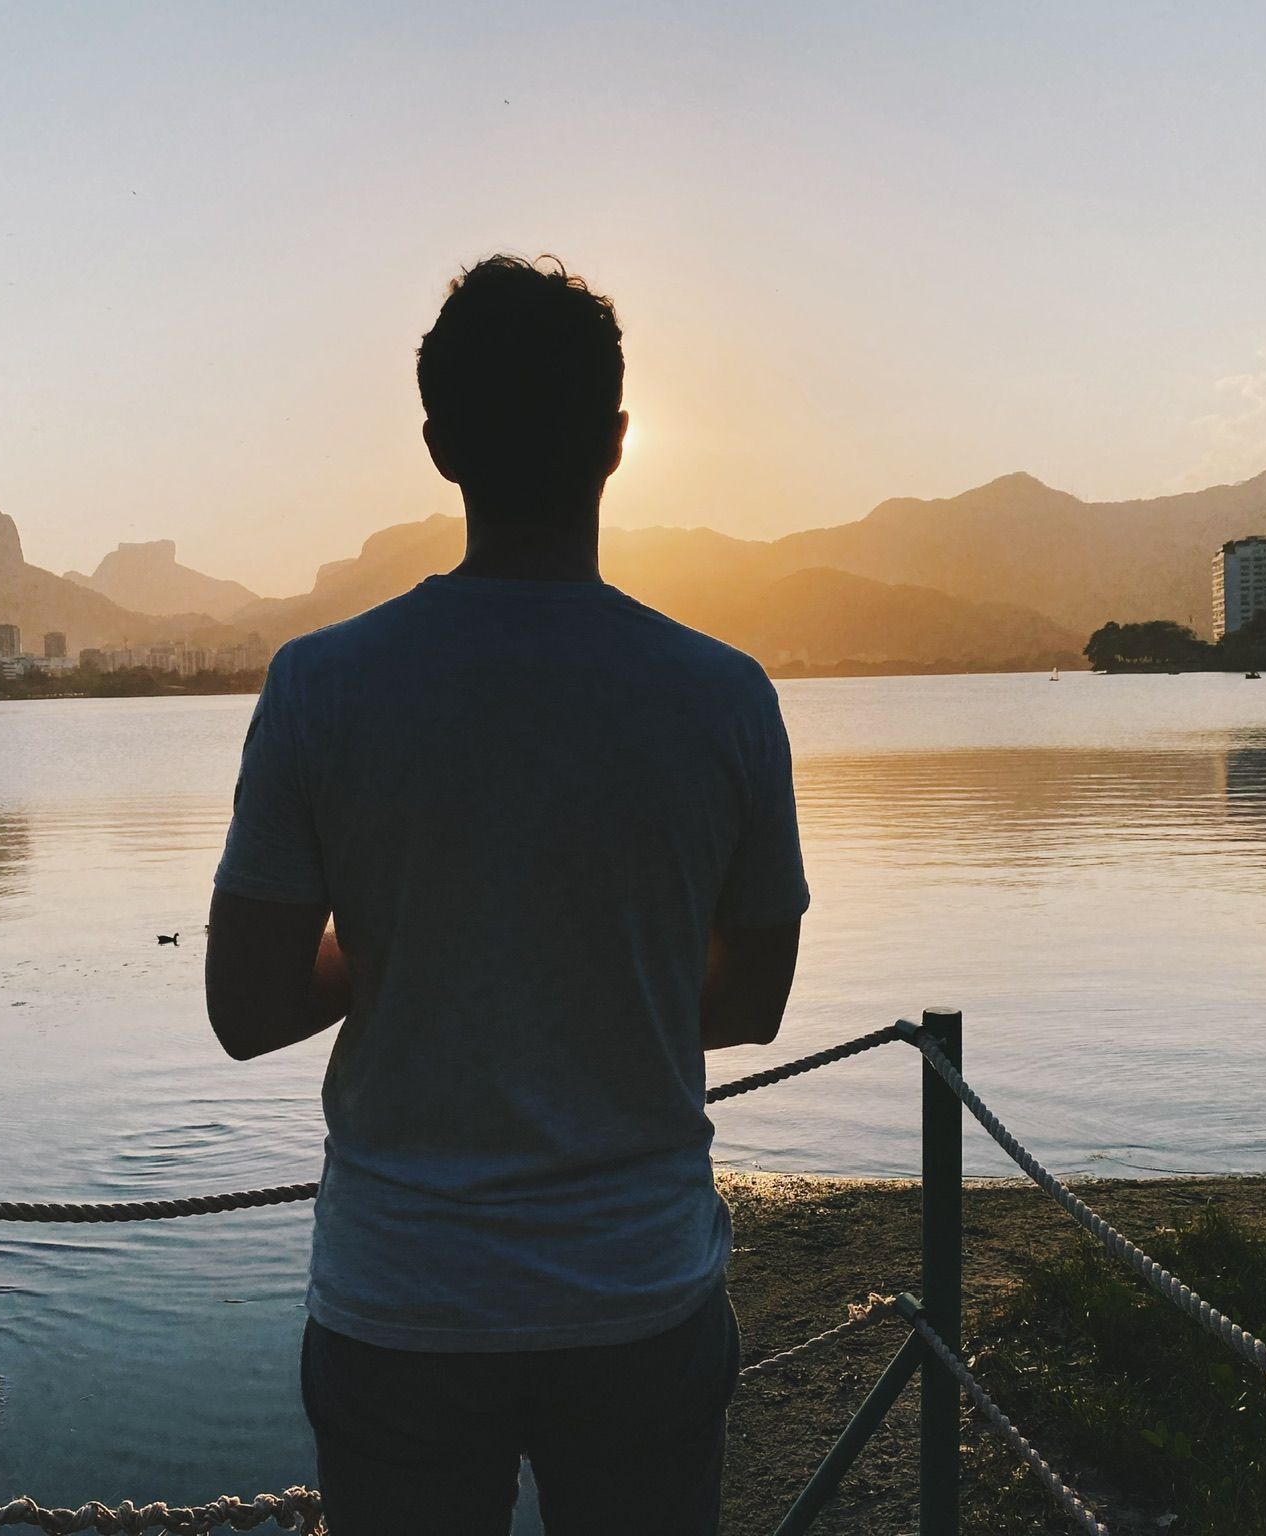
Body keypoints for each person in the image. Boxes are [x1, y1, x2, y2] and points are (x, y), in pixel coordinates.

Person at [206, 254, 809, 1535]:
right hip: (640, 1294)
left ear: (436, 446)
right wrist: (590, 978)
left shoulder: (321, 688)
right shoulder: (721, 696)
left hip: (402, 1306)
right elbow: (753, 1001)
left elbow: (249, 1005)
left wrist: (409, 960)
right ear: (616, 444)